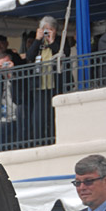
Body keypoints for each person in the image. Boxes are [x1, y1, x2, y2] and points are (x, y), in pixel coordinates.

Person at [23, 15, 71, 144]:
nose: (47, 32)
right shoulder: (38, 43)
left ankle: (55, 140)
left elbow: (64, 54)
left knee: (54, 114)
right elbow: (29, 56)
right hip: (40, 86)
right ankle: (39, 142)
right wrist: (38, 40)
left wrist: (51, 41)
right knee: (39, 116)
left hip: (56, 85)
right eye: (44, 29)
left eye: (49, 29)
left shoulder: (61, 41)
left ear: (55, 30)